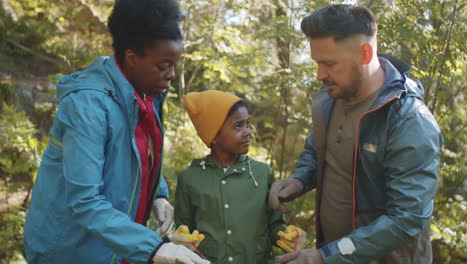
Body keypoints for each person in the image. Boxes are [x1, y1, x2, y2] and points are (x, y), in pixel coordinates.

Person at [23, 0, 209, 264]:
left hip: (117, 247)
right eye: (163, 65)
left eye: (175, 64)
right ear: (132, 58)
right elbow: (85, 201)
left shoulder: (146, 94)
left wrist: (159, 195)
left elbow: (137, 153)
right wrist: (154, 248)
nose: (171, 75)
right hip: (71, 252)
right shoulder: (88, 106)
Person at [269, 4, 443, 264]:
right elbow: (318, 152)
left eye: (329, 64)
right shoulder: (331, 99)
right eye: (317, 63)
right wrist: (300, 180)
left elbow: (407, 218)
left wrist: (328, 256)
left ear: (365, 53)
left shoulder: (409, 120)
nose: (319, 75)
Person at [174, 90, 307, 264]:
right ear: (213, 136)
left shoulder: (262, 173)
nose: (248, 132)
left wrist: (286, 236)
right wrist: (183, 241)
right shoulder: (190, 179)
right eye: (238, 126)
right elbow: (184, 231)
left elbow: (275, 225)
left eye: (248, 124)